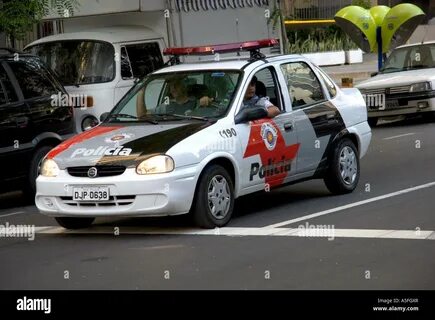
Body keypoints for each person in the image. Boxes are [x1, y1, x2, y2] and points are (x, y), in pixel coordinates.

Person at [199, 76, 280, 118]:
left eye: (253, 85)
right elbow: (220, 109)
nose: (251, 88)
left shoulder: (260, 101)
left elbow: (275, 110)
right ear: (240, 86)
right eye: (247, 85)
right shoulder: (232, 100)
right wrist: (209, 101)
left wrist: (258, 113)